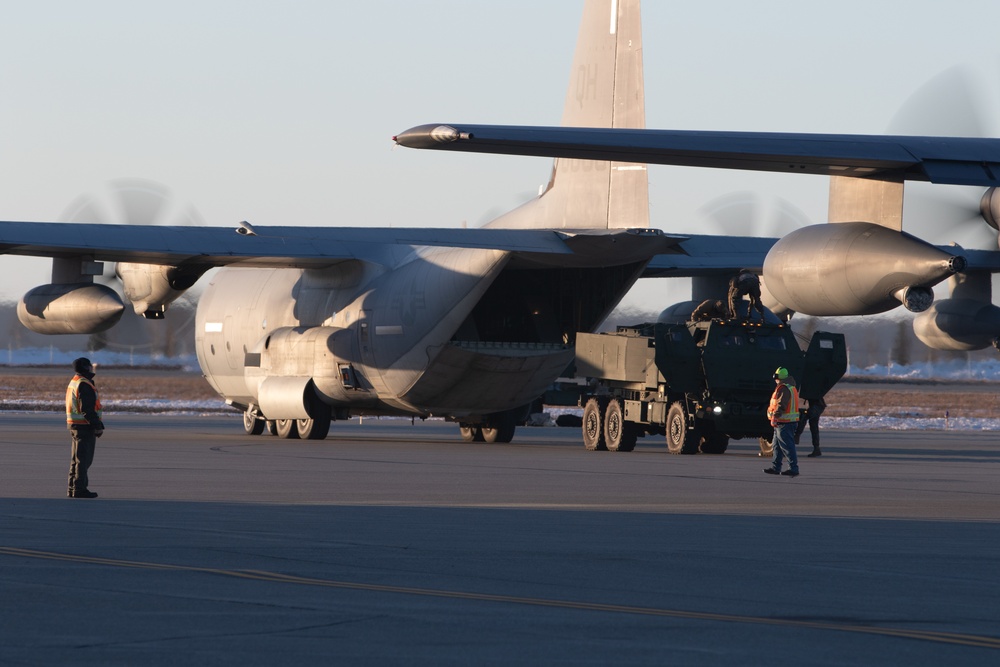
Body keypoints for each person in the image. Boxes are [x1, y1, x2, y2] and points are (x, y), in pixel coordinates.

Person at [66, 357, 104, 498]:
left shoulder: (75, 381)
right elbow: (87, 408)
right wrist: (97, 426)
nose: (91, 367)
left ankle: (72, 488)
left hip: (75, 425)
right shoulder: (84, 384)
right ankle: (79, 489)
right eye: (89, 365)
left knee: (76, 459)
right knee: (84, 460)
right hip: (84, 426)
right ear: (86, 367)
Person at [764, 366, 800, 477]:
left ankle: (793, 468)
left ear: (778, 377)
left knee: (787, 446)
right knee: (777, 446)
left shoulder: (784, 388)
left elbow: (781, 405)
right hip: (783, 422)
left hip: (785, 422)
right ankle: (776, 467)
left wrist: (775, 416)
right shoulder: (790, 387)